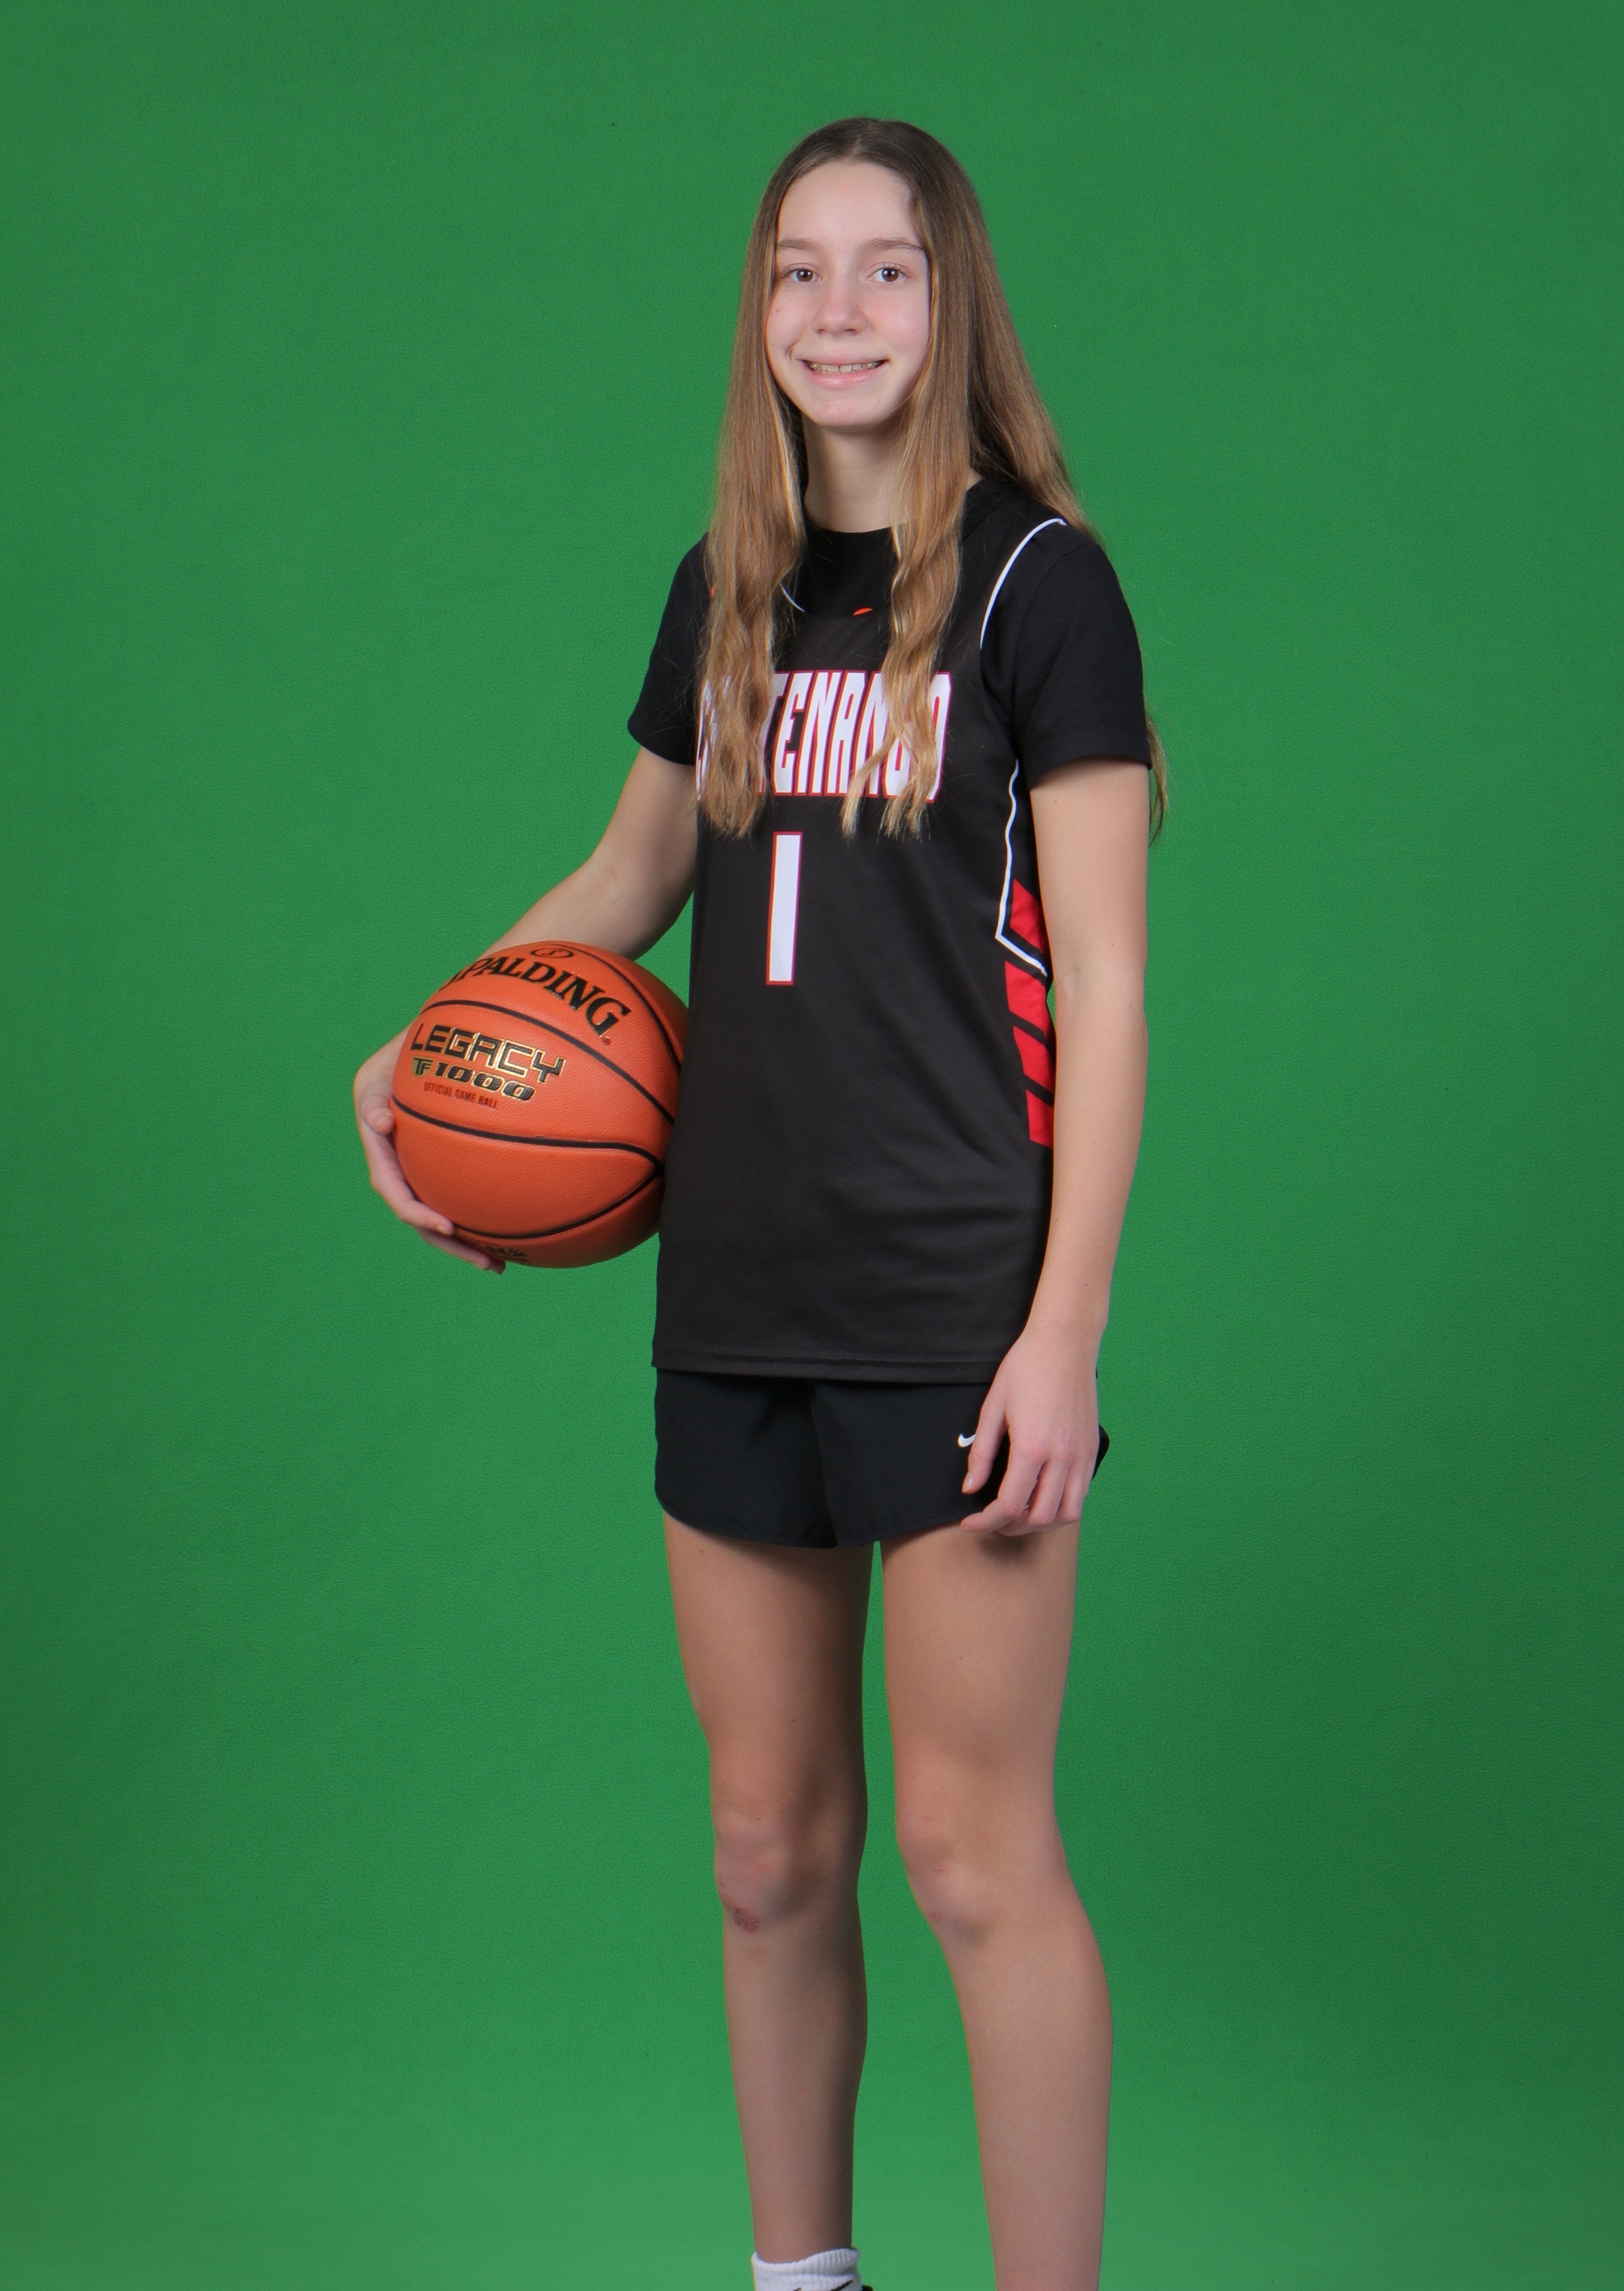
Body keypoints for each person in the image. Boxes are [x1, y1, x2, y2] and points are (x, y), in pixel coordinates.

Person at [352, 118, 1162, 2291]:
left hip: (955, 1299)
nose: (837, 312)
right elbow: (631, 878)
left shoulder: (1039, 587)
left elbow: (1107, 978)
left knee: (974, 1859)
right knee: (762, 1847)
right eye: (798, 270)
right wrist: (428, 1046)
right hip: (732, 1283)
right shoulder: (724, 583)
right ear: (758, 311)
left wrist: (1064, 1328)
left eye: (885, 269)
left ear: (952, 302)